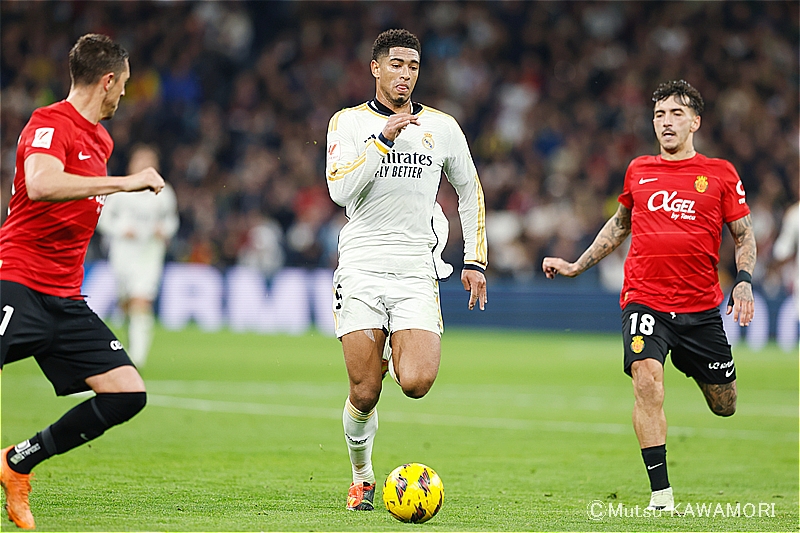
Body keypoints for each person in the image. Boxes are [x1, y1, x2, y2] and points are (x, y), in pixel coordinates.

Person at [542, 80, 756, 512]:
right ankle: (661, 494)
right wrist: (576, 265)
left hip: (700, 307)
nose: (666, 122)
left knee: (725, 404)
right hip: (645, 299)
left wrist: (745, 279)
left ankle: (691, 362)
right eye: (659, 114)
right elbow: (619, 225)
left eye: (676, 114)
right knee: (646, 380)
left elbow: (743, 234)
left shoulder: (720, 173)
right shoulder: (639, 169)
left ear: (695, 121)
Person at [0, 34, 165, 529]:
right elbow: (42, 183)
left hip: (65, 298)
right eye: (125, 85)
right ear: (109, 80)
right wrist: (123, 183)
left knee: (126, 393)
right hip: (18, 281)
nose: (124, 96)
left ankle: (16, 463)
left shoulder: (102, 139)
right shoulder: (50, 122)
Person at [325, 28, 488, 511]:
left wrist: (475, 259)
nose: (406, 74)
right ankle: (362, 475)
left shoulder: (442, 126)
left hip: (417, 267)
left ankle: (396, 344)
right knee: (366, 389)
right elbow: (339, 190)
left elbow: (470, 190)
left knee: (415, 382)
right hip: (362, 265)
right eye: (396, 64)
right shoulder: (348, 123)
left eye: (413, 66)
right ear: (375, 68)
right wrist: (381, 143)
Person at [97, 144, 179, 367]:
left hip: (149, 255)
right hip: (123, 253)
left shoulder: (164, 192)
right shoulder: (121, 190)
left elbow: (172, 220)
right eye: (140, 160)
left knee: (141, 301)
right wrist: (122, 230)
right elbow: (102, 220)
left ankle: (137, 359)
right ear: (132, 163)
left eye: (149, 160)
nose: (144, 164)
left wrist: (165, 230)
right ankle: (127, 346)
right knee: (126, 304)